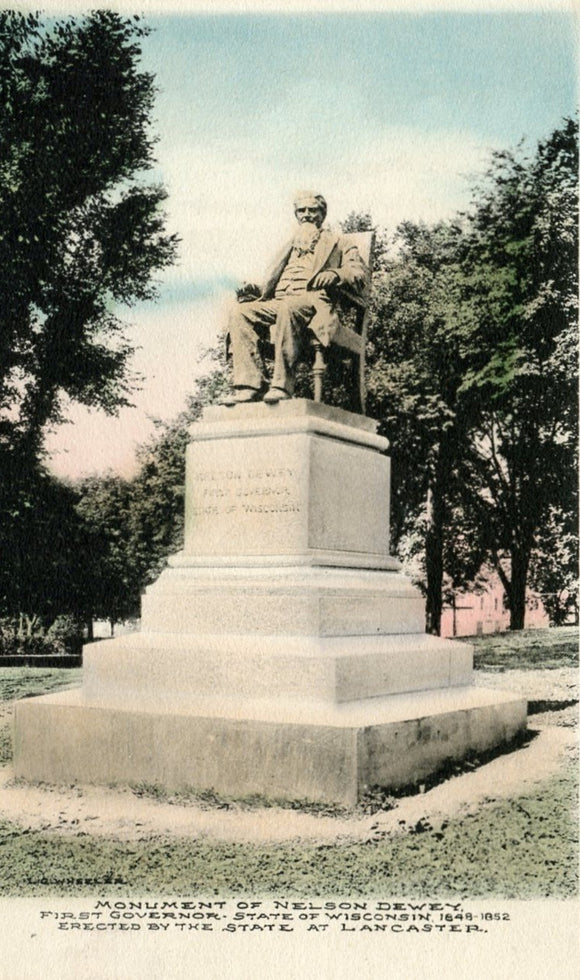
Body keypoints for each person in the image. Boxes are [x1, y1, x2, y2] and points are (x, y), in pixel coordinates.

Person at [222, 192, 368, 404]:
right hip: (279, 301)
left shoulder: (340, 242)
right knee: (239, 312)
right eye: (302, 211)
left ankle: (282, 385)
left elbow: (358, 274)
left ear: (322, 214)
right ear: (296, 215)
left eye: (313, 210)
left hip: (312, 302)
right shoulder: (290, 244)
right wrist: (256, 288)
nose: (307, 215)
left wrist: (336, 274)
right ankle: (250, 385)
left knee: (287, 308)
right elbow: (275, 281)